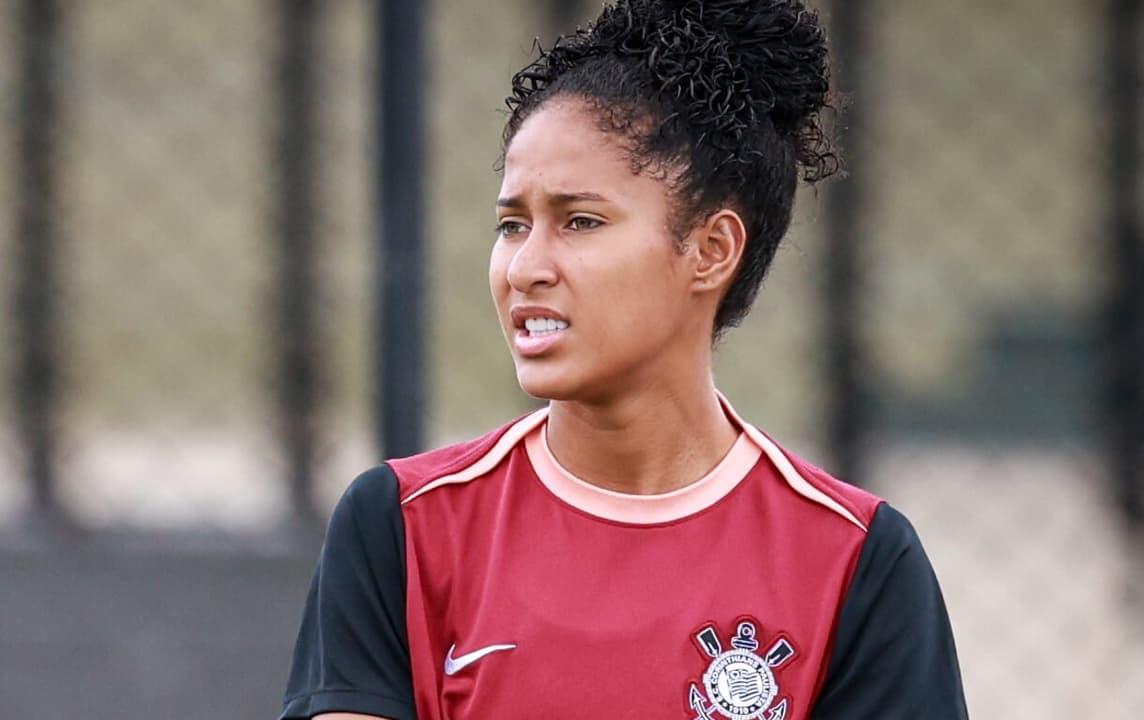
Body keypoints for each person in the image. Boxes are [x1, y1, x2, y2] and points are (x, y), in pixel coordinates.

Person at [280, 0, 967, 718]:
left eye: (580, 221)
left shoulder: (856, 561)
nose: (525, 267)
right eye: (513, 224)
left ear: (711, 250)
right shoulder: (401, 524)